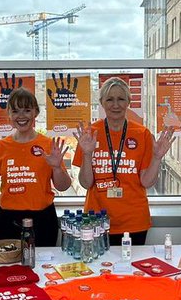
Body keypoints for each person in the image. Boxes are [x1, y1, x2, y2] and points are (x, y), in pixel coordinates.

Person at [72, 77, 175, 246]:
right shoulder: (89, 135)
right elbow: (85, 183)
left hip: (134, 221)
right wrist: (87, 154)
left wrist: (157, 158)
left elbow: (146, 182)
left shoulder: (142, 133)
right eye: (109, 99)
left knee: (133, 270)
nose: (115, 105)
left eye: (121, 99)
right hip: (96, 221)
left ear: (128, 101)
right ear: (102, 103)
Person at [0, 86, 70, 247]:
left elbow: (63, 186)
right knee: (7, 269)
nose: (21, 116)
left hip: (43, 219)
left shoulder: (48, 145)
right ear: (8, 115)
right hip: (8, 220)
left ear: (35, 112)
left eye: (27, 110)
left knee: (43, 268)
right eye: (15, 111)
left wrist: (57, 167)